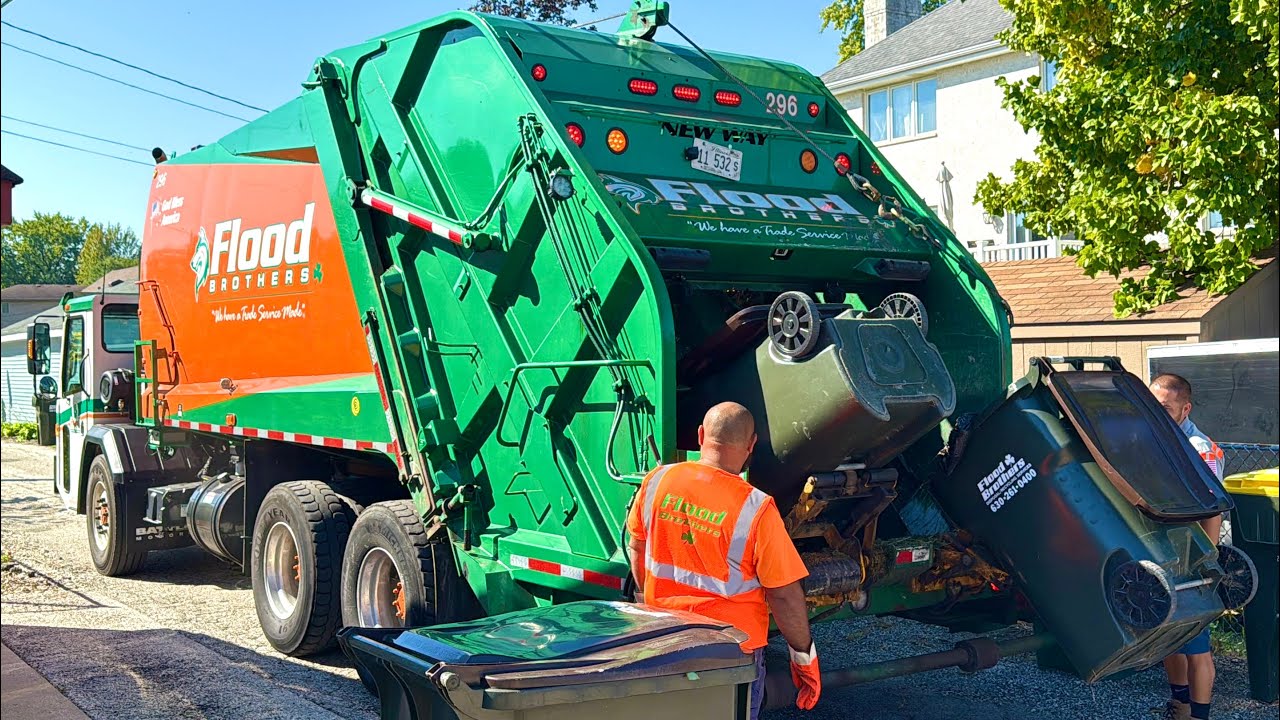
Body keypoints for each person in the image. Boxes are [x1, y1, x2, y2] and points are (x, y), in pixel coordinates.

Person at [626, 401, 820, 719]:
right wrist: (803, 658)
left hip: (667, 641)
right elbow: (784, 594)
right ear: (751, 445)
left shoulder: (657, 481)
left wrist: (653, 607)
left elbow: (637, 546)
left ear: (701, 435)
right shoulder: (756, 509)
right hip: (731, 654)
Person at [1150, 373, 1225, 720]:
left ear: (1185, 409)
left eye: (1166, 407)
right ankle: (1179, 706)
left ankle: (1199, 715)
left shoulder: (1199, 450)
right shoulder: (1153, 438)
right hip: (1161, 551)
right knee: (1168, 635)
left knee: (1196, 643)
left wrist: (1205, 560)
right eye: (1153, 404)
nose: (1157, 412)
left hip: (1191, 558)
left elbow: (1213, 508)